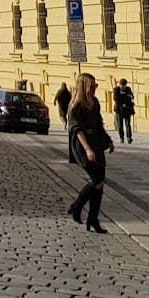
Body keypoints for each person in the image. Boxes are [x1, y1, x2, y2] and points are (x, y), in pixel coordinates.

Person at [66, 72, 113, 234]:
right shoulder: (75, 106)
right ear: (85, 86)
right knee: (97, 180)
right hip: (83, 146)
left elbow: (99, 124)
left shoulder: (94, 102)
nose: (95, 88)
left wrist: (108, 140)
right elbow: (77, 129)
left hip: (97, 144)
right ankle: (76, 206)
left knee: (100, 184)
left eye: (96, 85)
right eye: (93, 85)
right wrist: (87, 149)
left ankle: (93, 219)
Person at [113, 78, 136, 144]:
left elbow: (131, 96)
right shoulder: (116, 90)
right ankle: (121, 138)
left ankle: (129, 137)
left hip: (127, 109)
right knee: (120, 125)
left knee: (128, 124)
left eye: (124, 85)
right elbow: (116, 98)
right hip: (119, 110)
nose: (123, 87)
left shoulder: (128, 89)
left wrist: (131, 96)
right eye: (122, 85)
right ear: (119, 85)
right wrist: (123, 103)